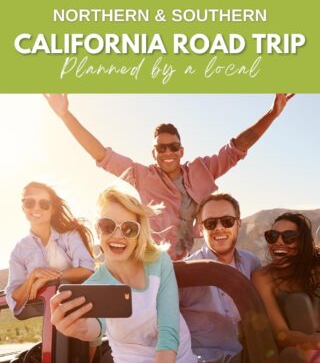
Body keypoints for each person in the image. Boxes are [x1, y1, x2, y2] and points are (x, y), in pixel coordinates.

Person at [50, 186, 213, 363]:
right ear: (98, 229)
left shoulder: (159, 264)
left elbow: (168, 335)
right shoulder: (96, 284)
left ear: (139, 234)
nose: (118, 235)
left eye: (129, 228)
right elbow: (94, 328)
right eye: (107, 226)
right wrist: (73, 328)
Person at [44, 94, 293, 260]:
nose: (167, 152)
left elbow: (238, 147)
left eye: (173, 147)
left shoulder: (202, 170)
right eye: (161, 148)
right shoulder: (142, 176)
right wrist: (65, 115)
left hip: (198, 260)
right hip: (156, 265)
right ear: (154, 153)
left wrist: (273, 112)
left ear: (181, 150)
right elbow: (101, 154)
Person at [179, 193, 261, 363]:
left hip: (241, 357)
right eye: (210, 223)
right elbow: (156, 317)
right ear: (200, 229)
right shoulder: (187, 271)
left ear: (238, 224)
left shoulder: (252, 263)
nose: (219, 228)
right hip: (200, 362)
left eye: (227, 221)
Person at [5, 181, 95, 315]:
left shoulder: (69, 236)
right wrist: (33, 277)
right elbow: (14, 298)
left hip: (80, 312)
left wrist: (48, 278)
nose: (36, 208)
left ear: (52, 209)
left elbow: (87, 269)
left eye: (44, 204)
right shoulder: (18, 252)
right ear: (23, 207)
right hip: (48, 323)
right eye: (29, 203)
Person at [252, 212, 320, 353]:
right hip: (296, 355)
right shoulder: (263, 278)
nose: (279, 242)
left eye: (289, 237)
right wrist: (314, 342)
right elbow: (281, 335)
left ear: (302, 242)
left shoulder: (316, 267)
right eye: (273, 236)